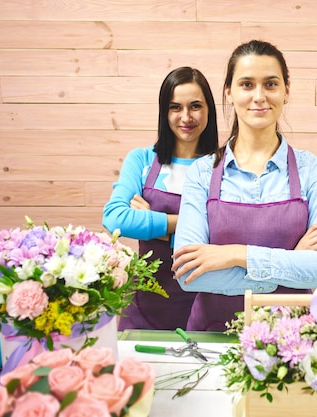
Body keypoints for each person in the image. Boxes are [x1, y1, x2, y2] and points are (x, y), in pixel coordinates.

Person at [172, 40, 317, 332]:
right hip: (213, 339)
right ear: (229, 91)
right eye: (246, 84)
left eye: (270, 84)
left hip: (294, 340)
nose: (259, 96)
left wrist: (236, 254)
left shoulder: (311, 171)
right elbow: (189, 273)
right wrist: (294, 263)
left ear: (286, 91)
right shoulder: (202, 173)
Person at [103, 66, 219, 330]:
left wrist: (151, 226)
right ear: (164, 112)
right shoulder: (142, 160)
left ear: (209, 110)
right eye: (175, 107)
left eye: (195, 106)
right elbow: (115, 219)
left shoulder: (224, 167)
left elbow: (228, 236)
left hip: (207, 306)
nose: (186, 117)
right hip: (145, 307)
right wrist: (190, 223)